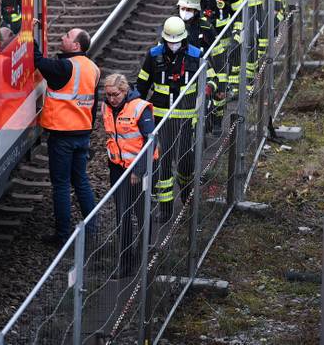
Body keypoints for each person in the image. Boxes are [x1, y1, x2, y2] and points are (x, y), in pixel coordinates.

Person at [136, 17, 213, 221]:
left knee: (186, 162)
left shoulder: (196, 55)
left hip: (187, 119)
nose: (173, 44)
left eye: (176, 40)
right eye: (169, 41)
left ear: (184, 38)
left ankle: (187, 197)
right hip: (162, 119)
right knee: (163, 162)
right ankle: (166, 209)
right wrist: (135, 107)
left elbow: (211, 76)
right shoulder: (154, 56)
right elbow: (142, 84)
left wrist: (209, 88)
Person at [36, 28, 101, 246]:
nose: (62, 37)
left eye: (66, 36)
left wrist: (29, 35)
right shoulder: (93, 68)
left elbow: (38, 60)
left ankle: (62, 235)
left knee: (61, 185)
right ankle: (93, 228)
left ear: (76, 46)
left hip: (62, 135)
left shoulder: (65, 66)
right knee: (81, 180)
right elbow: (93, 103)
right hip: (82, 133)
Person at [103, 73, 155, 278]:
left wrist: (138, 170)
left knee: (141, 212)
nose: (111, 99)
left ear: (125, 91)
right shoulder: (107, 106)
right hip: (117, 168)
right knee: (122, 215)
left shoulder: (140, 108)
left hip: (138, 169)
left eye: (115, 94)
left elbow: (150, 141)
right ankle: (124, 263)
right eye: (108, 95)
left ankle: (144, 254)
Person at [188, 0, 240, 133]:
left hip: (222, 41)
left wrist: (237, 34)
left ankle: (218, 119)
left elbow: (239, 14)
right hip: (201, 41)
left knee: (221, 83)